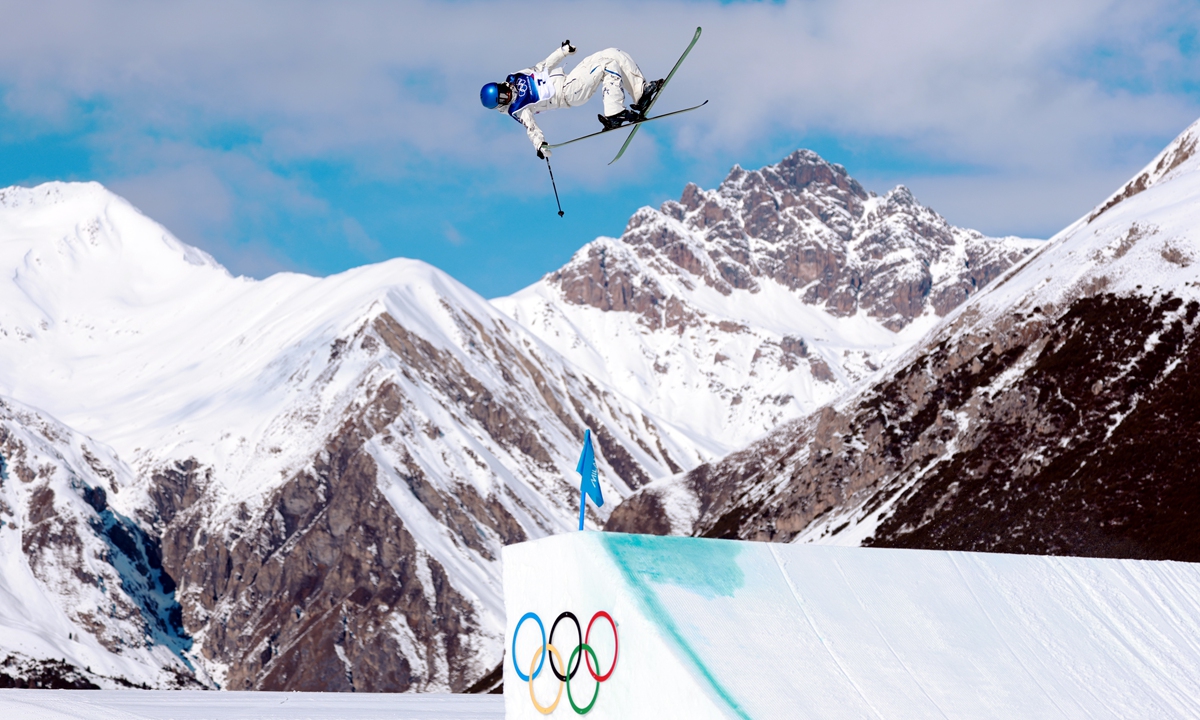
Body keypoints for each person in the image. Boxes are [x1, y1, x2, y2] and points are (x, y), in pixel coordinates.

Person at [480, 40, 663, 159]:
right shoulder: (518, 108)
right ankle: (614, 112)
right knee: (608, 65)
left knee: (612, 53)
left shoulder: (515, 77)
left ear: (500, 85)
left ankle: (640, 94)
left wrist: (562, 52)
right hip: (568, 94)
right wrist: (540, 145)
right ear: (501, 105)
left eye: (503, 91)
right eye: (503, 99)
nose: (508, 95)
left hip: (569, 79)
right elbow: (531, 128)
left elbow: (541, 66)